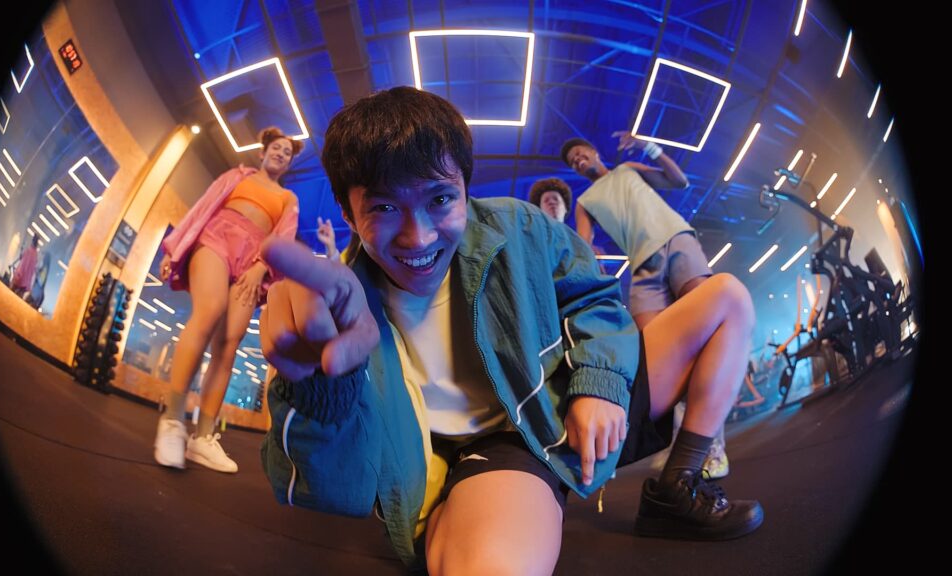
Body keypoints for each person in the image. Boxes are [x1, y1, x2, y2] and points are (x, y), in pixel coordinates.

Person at [258, 87, 762, 574]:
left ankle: (679, 483)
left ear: (465, 189)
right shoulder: (342, 312)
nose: (420, 236)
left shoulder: (520, 225)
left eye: (440, 199)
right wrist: (320, 385)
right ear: (348, 214)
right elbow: (333, 491)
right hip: (493, 449)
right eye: (384, 207)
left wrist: (600, 383)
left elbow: (593, 296)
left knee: (726, 299)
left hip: (559, 400)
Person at [563, 133, 729, 477]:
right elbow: (583, 241)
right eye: (573, 162)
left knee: (710, 328)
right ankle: (679, 442)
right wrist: (588, 254)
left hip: (675, 241)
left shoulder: (627, 169)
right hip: (641, 265)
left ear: (594, 152)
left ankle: (711, 447)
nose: (578, 161)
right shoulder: (585, 201)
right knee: (655, 353)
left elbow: (678, 181)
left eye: (580, 153)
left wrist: (645, 146)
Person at [153, 126, 303, 473]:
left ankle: (203, 437)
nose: (281, 153)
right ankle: (172, 421)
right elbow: (203, 207)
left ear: (289, 163)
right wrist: (175, 247)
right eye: (277, 148)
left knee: (229, 343)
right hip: (217, 238)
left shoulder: (288, 198)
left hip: (253, 259)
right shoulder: (237, 176)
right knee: (209, 311)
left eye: (287, 152)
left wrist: (261, 267)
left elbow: (283, 237)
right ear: (263, 151)